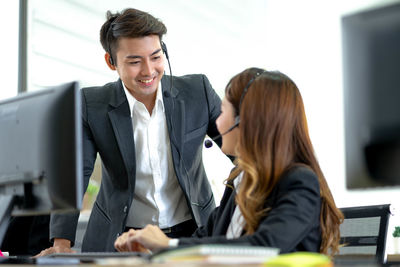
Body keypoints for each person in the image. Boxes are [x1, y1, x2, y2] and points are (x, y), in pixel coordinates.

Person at [36, 8, 222, 255]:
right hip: (122, 238)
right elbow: (75, 174)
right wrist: (61, 243)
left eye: (156, 57)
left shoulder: (197, 91)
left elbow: (243, 151)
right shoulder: (92, 105)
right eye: (135, 62)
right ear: (111, 62)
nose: (148, 71)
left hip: (192, 233)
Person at [114, 68, 344, 256]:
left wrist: (168, 245)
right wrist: (156, 246)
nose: (217, 121)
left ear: (245, 122)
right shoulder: (240, 181)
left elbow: (266, 247)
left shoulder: (299, 182)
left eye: (222, 111)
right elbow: (204, 238)